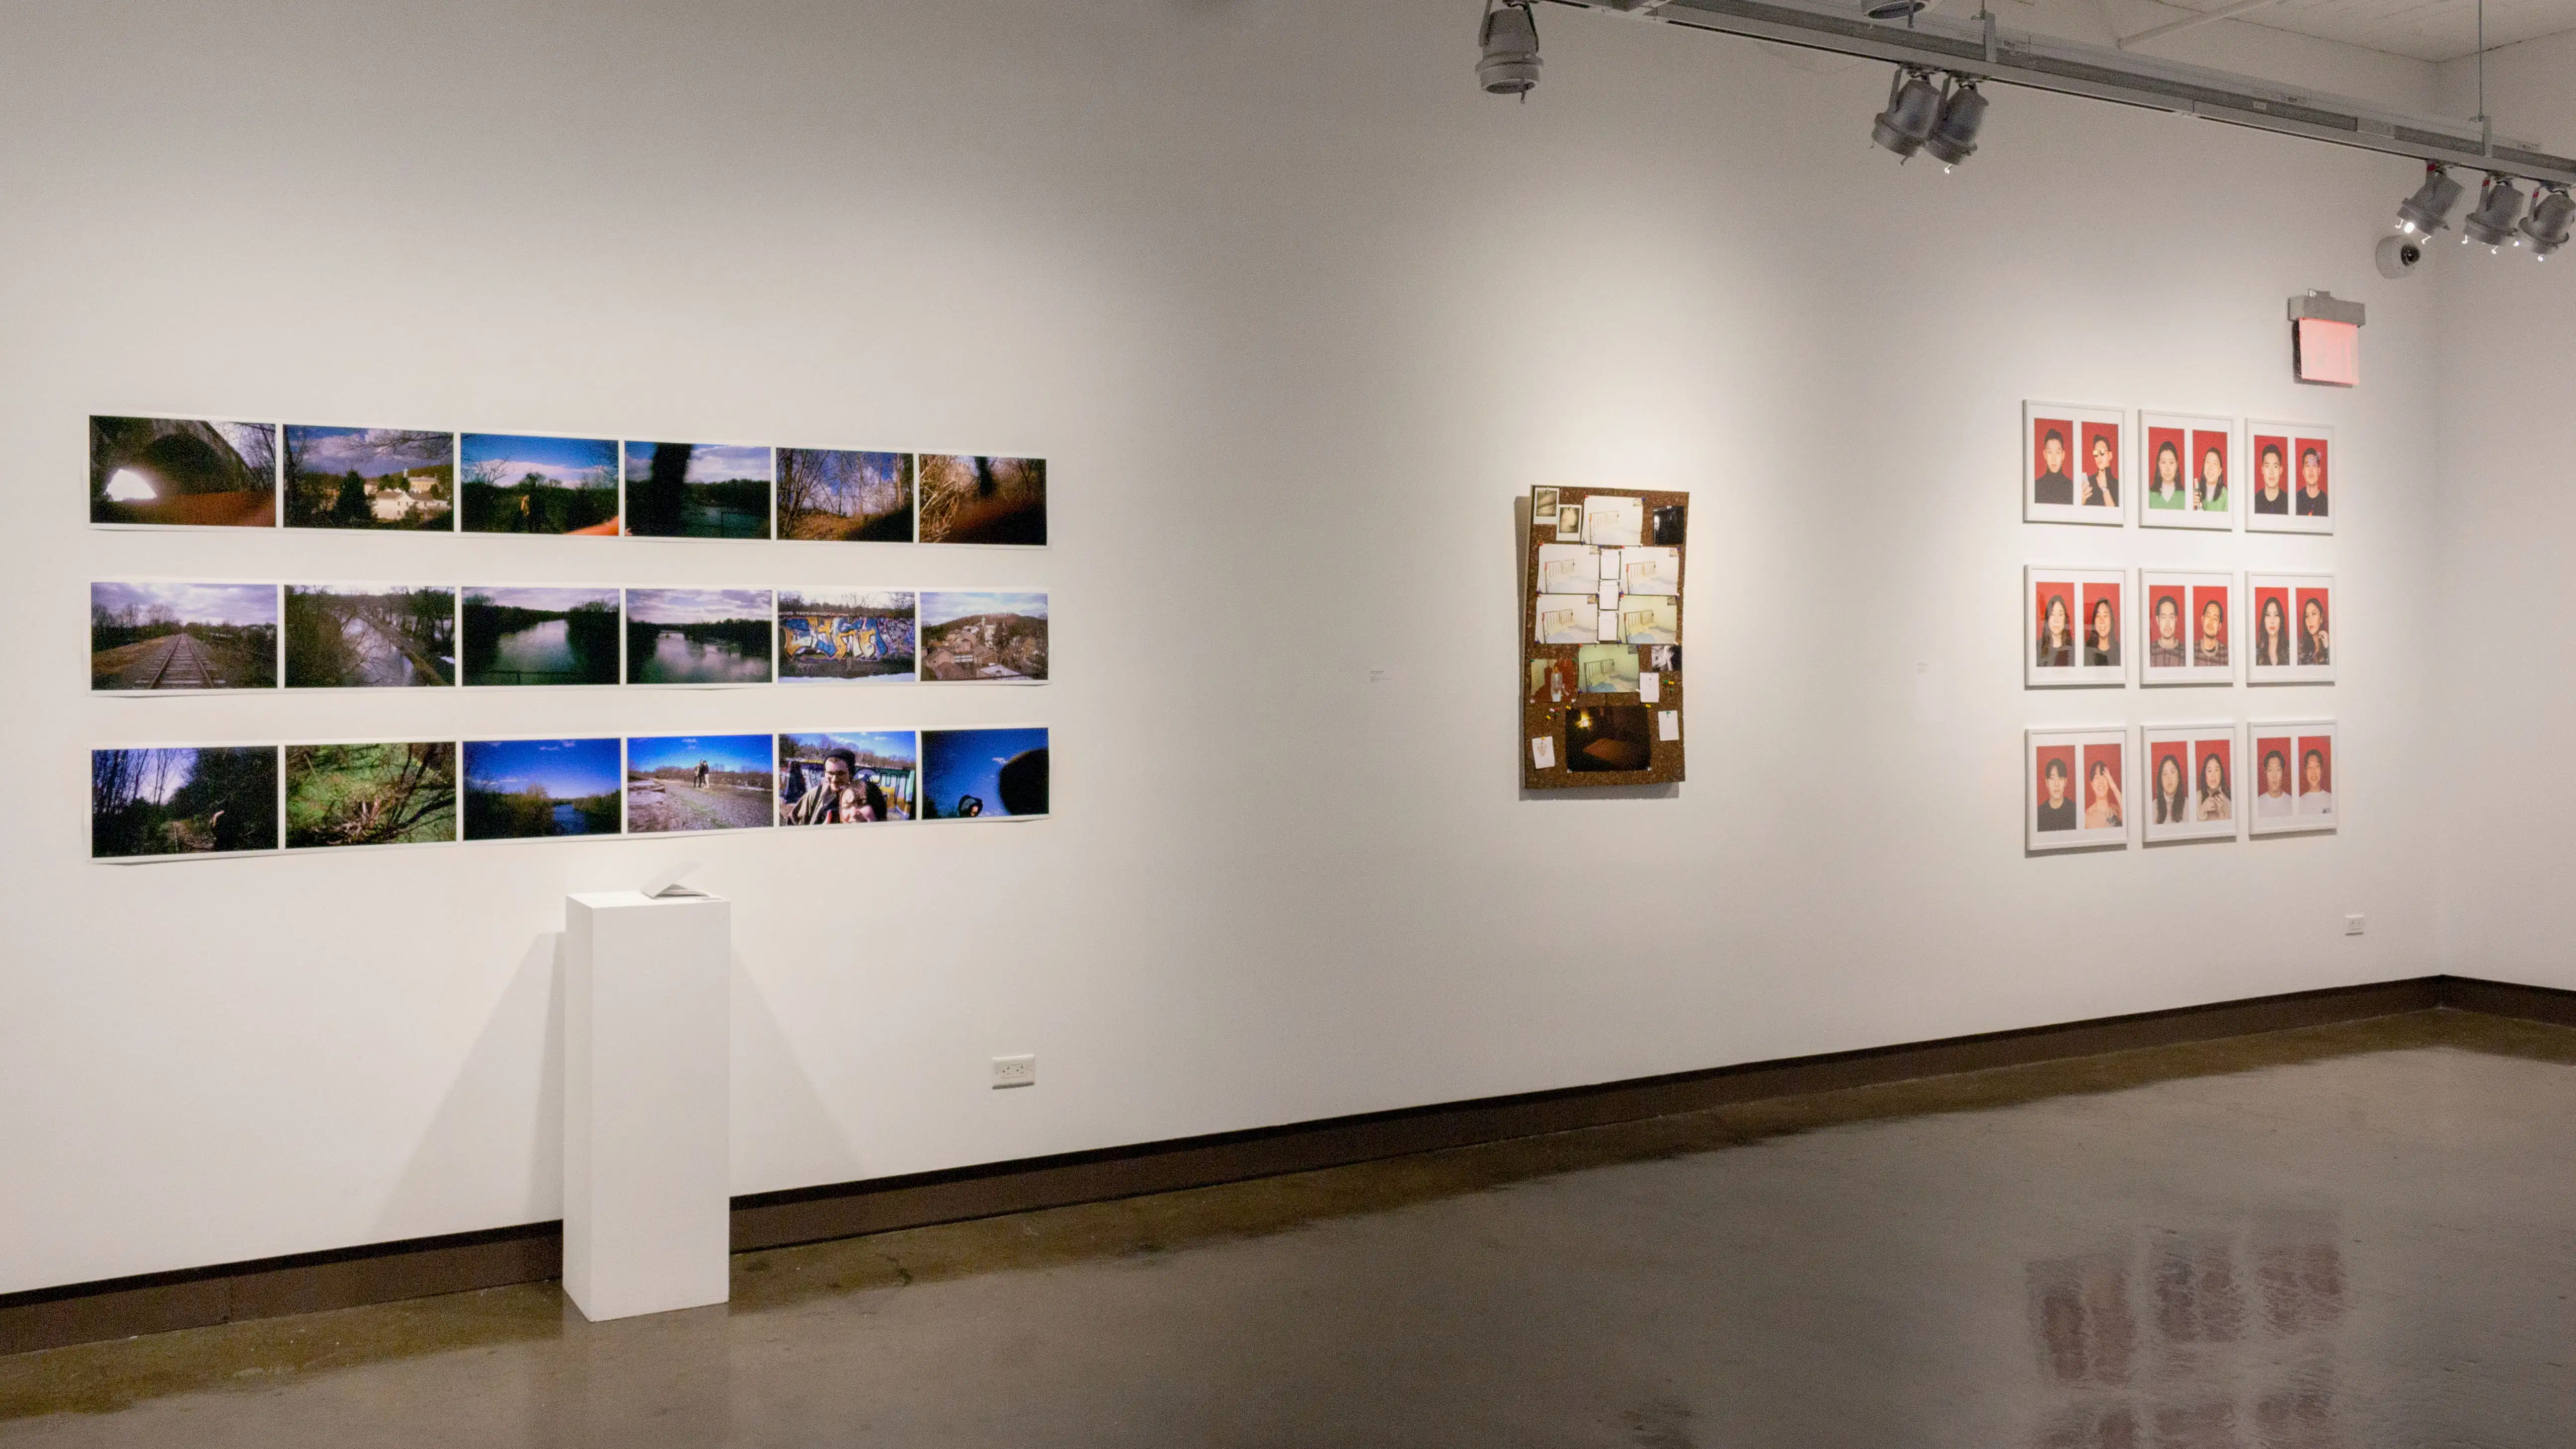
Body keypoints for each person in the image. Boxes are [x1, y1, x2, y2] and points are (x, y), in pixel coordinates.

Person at [789, 749, 886, 824]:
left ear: (851, 773)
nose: (835, 779)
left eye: (840, 774)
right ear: (825, 773)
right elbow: (793, 823)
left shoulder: (863, 793)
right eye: (830, 773)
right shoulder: (815, 795)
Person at [2033, 429, 2074, 506]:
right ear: (2045, 455)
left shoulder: (2072, 488)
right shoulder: (2036, 487)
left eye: (2058, 453)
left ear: (2063, 455)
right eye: (2050, 452)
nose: (2054, 459)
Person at [2037, 757, 2078, 832]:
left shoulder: (2075, 811)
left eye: (2060, 779)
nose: (2057, 784)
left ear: (2066, 782)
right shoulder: (2039, 814)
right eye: (2052, 779)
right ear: (2047, 782)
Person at [2148, 594, 2186, 669]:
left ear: (2176, 619)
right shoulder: (2149, 651)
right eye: (2164, 617)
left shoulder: (2186, 652)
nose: (2168, 623)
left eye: (2171, 617)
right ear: (2157, 620)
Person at [2081, 434, 2119, 509]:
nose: (2099, 457)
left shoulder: (2118, 485)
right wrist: (2081, 501)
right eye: (2096, 453)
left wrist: (2104, 489)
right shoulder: (2088, 483)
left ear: (2110, 455)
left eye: (2102, 452)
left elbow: (2115, 517)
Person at [2084, 759, 2124, 830]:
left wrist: (2114, 787)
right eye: (2096, 778)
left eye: (2104, 776)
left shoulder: (2117, 810)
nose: (2101, 782)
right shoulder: (2087, 817)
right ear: (2092, 784)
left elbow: (2132, 817)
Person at [2036, 592, 2073, 668]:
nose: (2056, 620)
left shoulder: (2074, 649)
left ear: (2065, 619)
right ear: (2048, 619)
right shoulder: (2037, 648)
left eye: (2060, 615)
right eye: (2053, 614)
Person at [2147, 441, 2187, 510]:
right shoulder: (2149, 496)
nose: (2168, 468)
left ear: (2177, 465)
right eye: (2164, 462)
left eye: (2171, 463)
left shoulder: (2185, 498)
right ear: (2159, 464)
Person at [2151, 753, 2189, 826]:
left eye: (2173, 772)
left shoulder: (2188, 805)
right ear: (2161, 780)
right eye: (2165, 774)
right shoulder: (2153, 807)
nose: (2169, 778)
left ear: (2178, 777)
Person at [2255, 749, 2293, 817]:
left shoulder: (2292, 803)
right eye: (2270, 770)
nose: (2274, 776)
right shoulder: (2257, 804)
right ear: (2265, 772)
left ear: (2283, 772)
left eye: (2278, 770)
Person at [2253, 443, 2289, 515]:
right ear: (2262, 470)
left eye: (2275, 467)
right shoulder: (2254, 502)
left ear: (2281, 470)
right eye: (2268, 466)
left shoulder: (2289, 503)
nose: (2271, 472)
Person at [2196, 751, 2232, 821]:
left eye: (2216, 770)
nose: (2213, 775)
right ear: (2205, 775)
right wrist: (2202, 809)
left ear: (2221, 774)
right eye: (2209, 771)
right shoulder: (2197, 797)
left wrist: (2221, 812)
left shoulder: (2230, 798)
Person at [2084, 597, 2119, 668]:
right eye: (2098, 616)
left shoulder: (2120, 652)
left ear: (2111, 621)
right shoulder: (2085, 652)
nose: (2102, 621)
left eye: (2106, 616)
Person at [2298, 748, 2334, 815]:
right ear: (2305, 772)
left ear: (2322, 770)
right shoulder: (2299, 803)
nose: (2313, 772)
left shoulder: (2332, 799)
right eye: (2310, 768)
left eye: (2317, 767)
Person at [2255, 596, 2290, 667]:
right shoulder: (2256, 652)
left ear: (2281, 620)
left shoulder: (2290, 650)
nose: (2272, 621)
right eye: (2268, 615)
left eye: (2276, 615)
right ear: (2264, 620)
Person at [2195, 597, 2229, 668]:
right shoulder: (2191, 650)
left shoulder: (2227, 655)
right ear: (2202, 620)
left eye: (2215, 619)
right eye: (2208, 616)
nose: (2211, 622)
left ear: (2219, 626)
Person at [2296, 447, 2329, 517]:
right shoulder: (2296, 500)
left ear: (2319, 471)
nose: (2311, 470)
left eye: (2314, 466)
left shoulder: (2327, 502)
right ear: (2303, 472)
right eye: (2308, 466)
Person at [2299, 596, 2331, 666]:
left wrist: (2327, 647)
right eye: (2307, 616)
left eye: (2314, 614)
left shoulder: (2330, 645)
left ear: (2321, 618)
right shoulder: (2302, 650)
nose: (2310, 620)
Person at [2198, 444, 2229, 513]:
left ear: (2220, 471)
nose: (2211, 468)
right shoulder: (2195, 493)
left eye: (2215, 464)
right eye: (2208, 462)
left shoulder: (2226, 495)